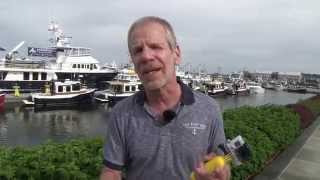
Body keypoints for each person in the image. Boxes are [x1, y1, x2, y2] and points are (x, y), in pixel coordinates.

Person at [100, 16, 230, 180]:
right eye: (137, 50)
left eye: (155, 47)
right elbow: (111, 171)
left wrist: (222, 174)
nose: (146, 56)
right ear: (132, 60)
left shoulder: (209, 109)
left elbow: (221, 162)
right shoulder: (121, 113)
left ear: (176, 53)